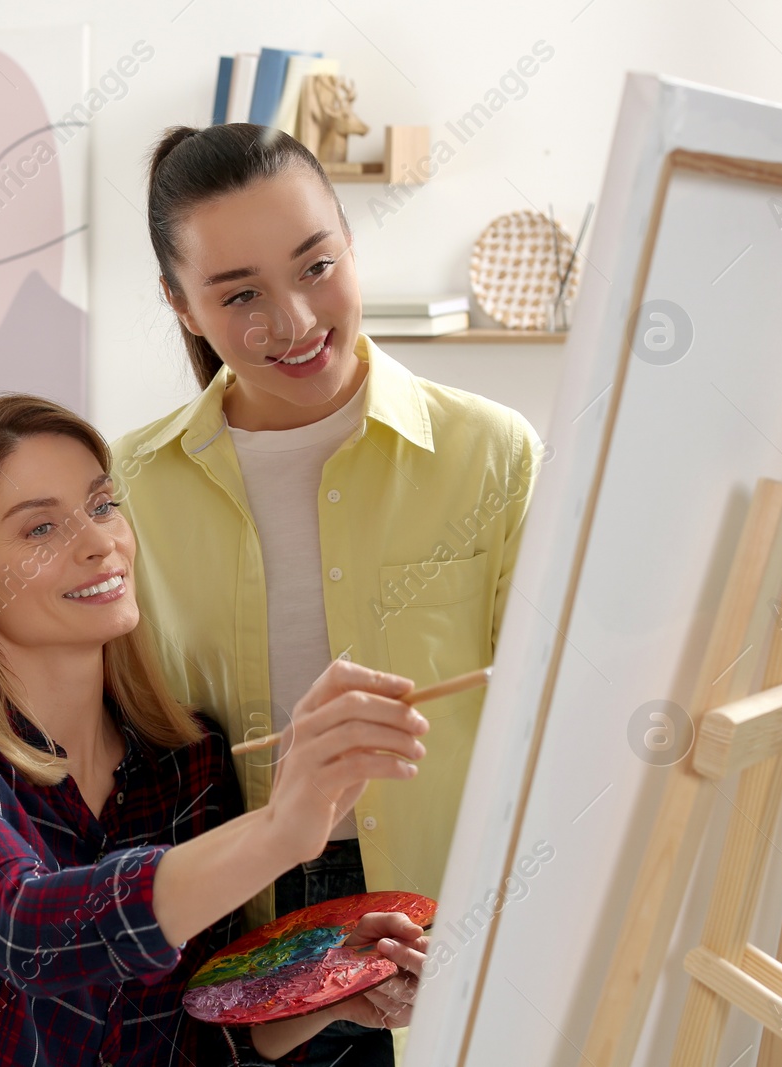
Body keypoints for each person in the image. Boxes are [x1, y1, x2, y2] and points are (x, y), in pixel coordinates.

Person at [103, 122, 543, 1063]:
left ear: (349, 238)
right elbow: (76, 741)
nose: (296, 322)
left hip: (451, 913)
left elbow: (550, 718)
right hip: (237, 935)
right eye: (240, 294)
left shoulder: (493, 453)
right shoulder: (127, 488)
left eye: (315, 266)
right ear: (180, 306)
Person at [0, 393, 430, 1065]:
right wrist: (281, 830)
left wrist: (331, 995)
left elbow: (207, 1023)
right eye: (40, 529)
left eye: (102, 504)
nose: (99, 542)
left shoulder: (188, 761)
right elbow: (29, 933)